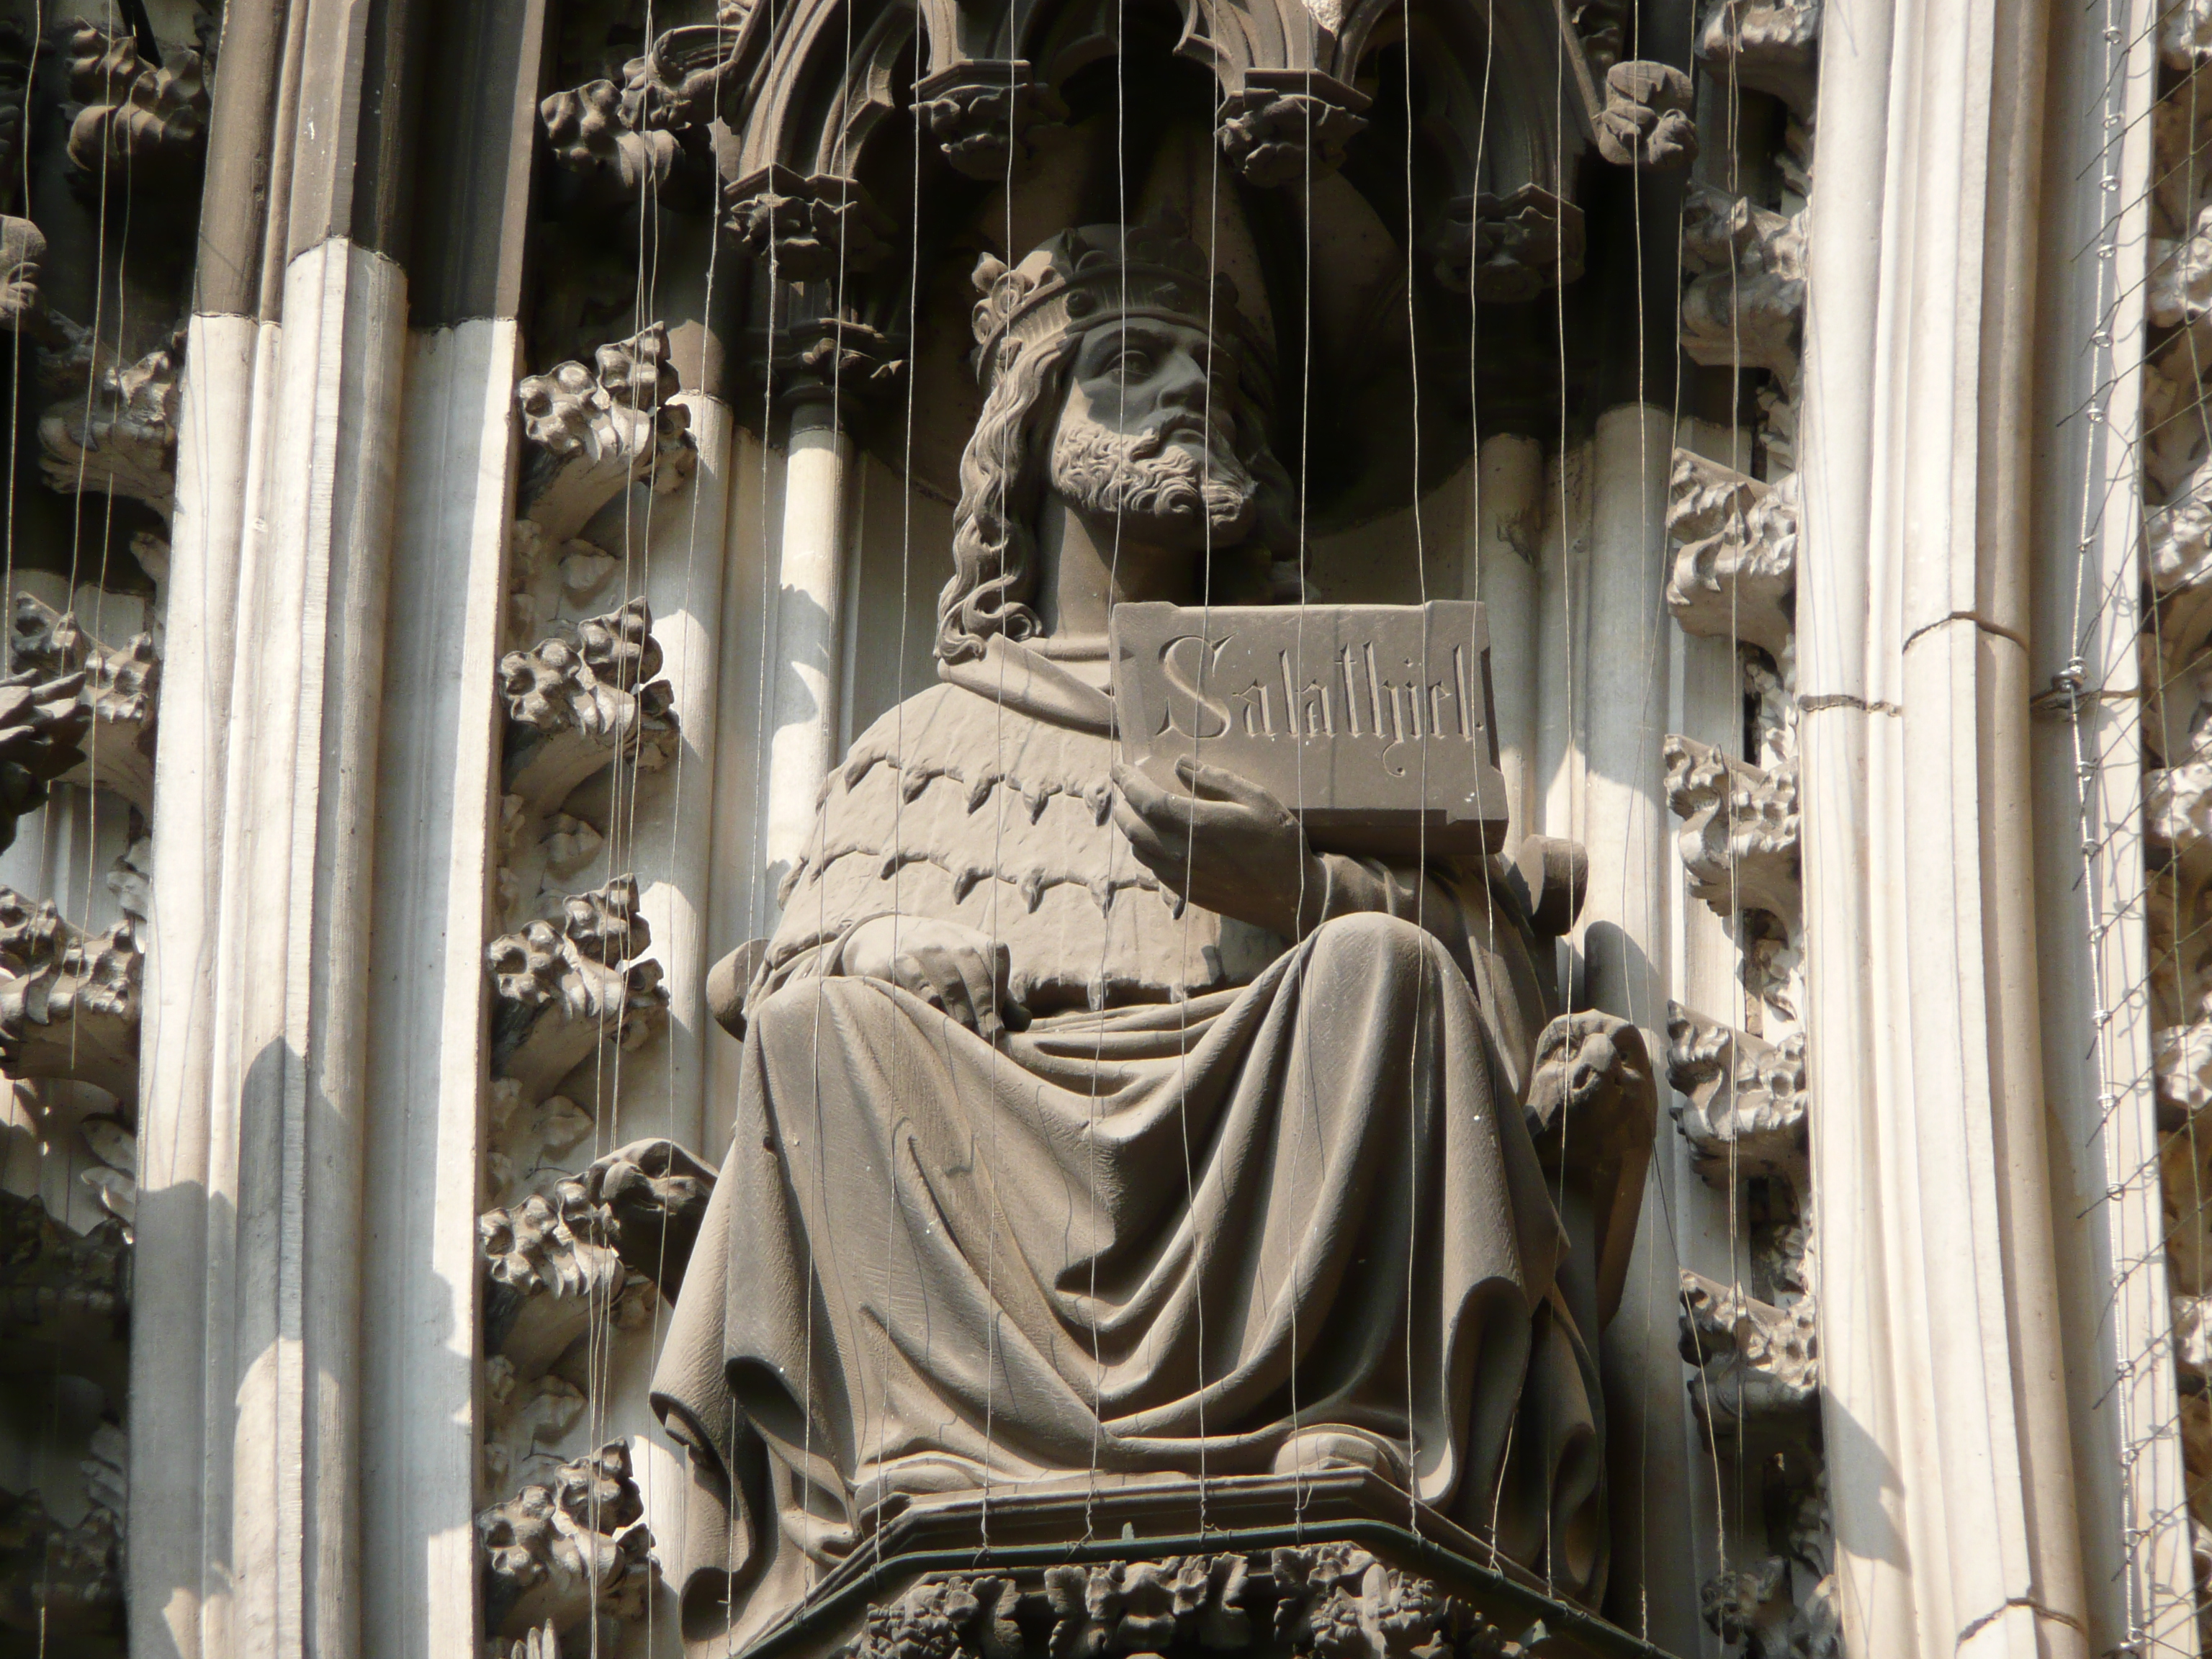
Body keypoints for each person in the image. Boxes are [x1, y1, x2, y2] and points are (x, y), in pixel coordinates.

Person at [651, 220, 1640, 1649]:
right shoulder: (926, 735)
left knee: (1378, 969)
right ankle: (928, 1446)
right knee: (825, 1034)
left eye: (1221, 385)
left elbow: (1478, 999)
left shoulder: (1327, 716)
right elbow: (777, 981)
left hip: (1257, 1144)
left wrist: (1292, 885)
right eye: (1135, 365)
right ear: (1026, 433)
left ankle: (1343, 1414)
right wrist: (874, 955)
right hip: (984, 1157)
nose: (1190, 395)